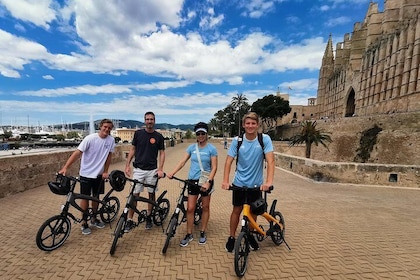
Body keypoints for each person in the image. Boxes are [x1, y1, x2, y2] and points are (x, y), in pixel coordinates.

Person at [221, 112, 274, 252]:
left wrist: (268, 182)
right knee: (236, 211)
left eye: (253, 123)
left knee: (253, 213)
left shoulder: (264, 139)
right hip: (239, 183)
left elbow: (270, 161)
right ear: (244, 125)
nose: (250, 126)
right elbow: (228, 162)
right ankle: (232, 237)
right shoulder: (237, 141)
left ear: (258, 125)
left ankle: (250, 235)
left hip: (256, 185)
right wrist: (226, 181)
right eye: (248, 123)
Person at [59, 119, 115, 235]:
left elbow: (109, 157)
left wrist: (105, 171)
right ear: (100, 127)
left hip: (99, 175)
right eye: (105, 127)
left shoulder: (111, 140)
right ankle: (84, 222)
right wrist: (65, 167)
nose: (107, 129)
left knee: (96, 197)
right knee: (85, 198)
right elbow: (77, 153)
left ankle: (94, 218)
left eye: (109, 128)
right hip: (86, 174)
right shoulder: (90, 138)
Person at [167, 122, 218, 246]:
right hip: (193, 181)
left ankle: (202, 232)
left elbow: (214, 167)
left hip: (205, 181)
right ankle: (189, 234)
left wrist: (208, 182)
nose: (200, 136)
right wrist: (172, 172)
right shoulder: (191, 148)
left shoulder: (212, 149)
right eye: (198, 133)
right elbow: (182, 161)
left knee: (205, 207)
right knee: (190, 208)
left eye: (203, 133)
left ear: (206, 134)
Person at [124, 112, 165, 231]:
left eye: (151, 119)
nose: (149, 121)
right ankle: (130, 220)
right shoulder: (138, 134)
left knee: (151, 195)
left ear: (154, 120)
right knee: (134, 195)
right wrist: (127, 165)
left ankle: (149, 216)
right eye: (147, 119)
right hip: (138, 170)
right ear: (144, 121)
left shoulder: (158, 137)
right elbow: (132, 149)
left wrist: (161, 169)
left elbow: (162, 153)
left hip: (152, 170)